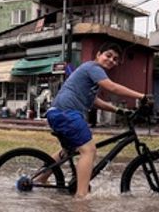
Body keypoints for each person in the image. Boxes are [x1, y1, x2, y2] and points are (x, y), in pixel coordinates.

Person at [42, 42, 148, 198]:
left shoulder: (91, 72)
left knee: (67, 151)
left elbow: (94, 101)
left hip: (58, 113)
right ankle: (81, 196)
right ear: (98, 55)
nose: (111, 60)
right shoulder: (93, 68)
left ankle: (40, 179)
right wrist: (142, 96)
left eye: (115, 59)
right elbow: (112, 87)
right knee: (89, 150)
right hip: (67, 113)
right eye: (108, 55)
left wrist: (118, 110)